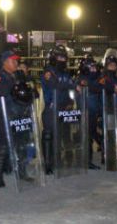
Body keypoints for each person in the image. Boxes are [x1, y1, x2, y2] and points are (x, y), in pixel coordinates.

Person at [0, 50, 21, 188]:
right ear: (5, 62)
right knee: (1, 145)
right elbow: (0, 95)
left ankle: (9, 168)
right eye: (13, 60)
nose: (16, 63)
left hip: (14, 114)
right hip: (1, 115)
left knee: (15, 143)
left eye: (16, 60)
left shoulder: (14, 76)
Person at [41, 45, 76, 175]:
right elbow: (55, 85)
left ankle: (61, 159)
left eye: (64, 58)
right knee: (49, 134)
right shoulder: (48, 72)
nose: (63, 60)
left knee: (63, 134)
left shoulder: (65, 73)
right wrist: (71, 84)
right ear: (53, 58)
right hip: (51, 107)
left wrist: (71, 101)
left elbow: (70, 90)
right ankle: (48, 164)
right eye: (60, 57)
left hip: (64, 107)